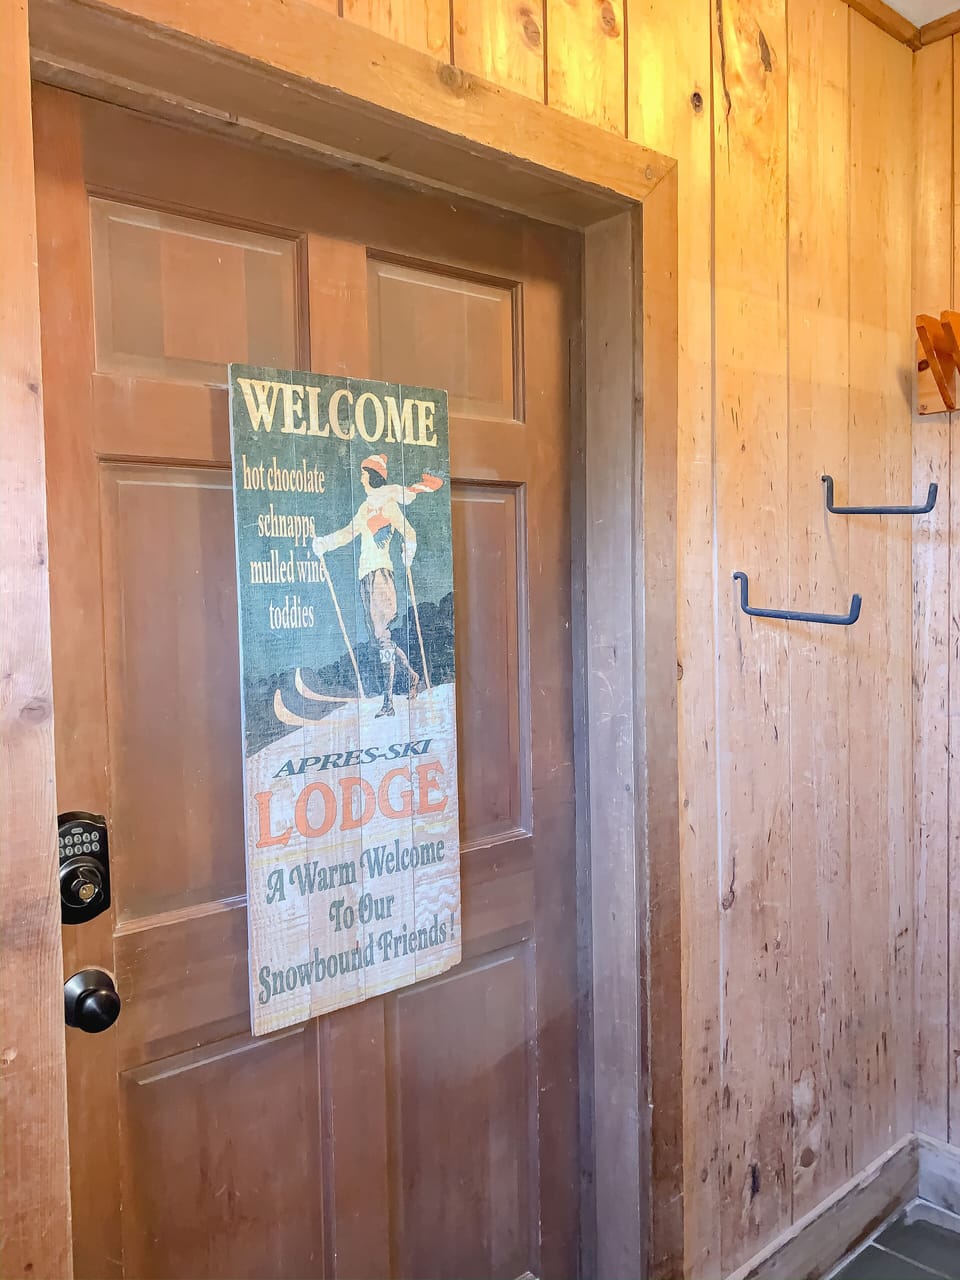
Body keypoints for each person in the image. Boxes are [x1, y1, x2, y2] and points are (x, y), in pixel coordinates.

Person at [312, 453, 442, 718]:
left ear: (372, 476)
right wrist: (323, 543)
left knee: (383, 642)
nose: (360, 478)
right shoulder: (365, 508)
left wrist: (409, 552)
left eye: (363, 473)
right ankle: (413, 676)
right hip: (366, 578)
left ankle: (388, 701)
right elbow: (348, 533)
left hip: (382, 577)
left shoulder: (389, 506)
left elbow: (410, 532)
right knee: (381, 642)